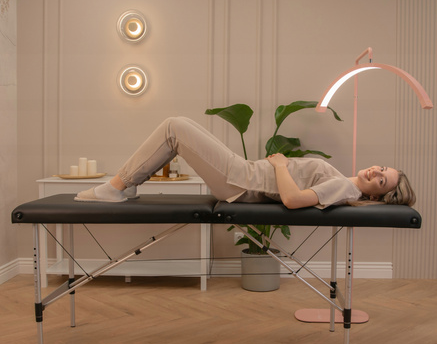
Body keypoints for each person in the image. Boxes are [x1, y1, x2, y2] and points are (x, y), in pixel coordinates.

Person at [75, 116, 416, 209]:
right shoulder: (344, 182)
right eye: (382, 168)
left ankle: (116, 187)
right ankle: (125, 185)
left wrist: (281, 166)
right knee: (178, 126)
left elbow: (293, 200)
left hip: (240, 180)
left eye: (381, 180)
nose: (376, 171)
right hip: (243, 173)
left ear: (375, 196)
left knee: (173, 128)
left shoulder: (344, 187)